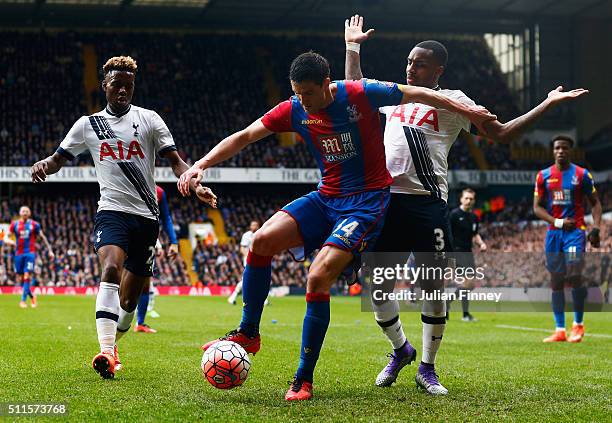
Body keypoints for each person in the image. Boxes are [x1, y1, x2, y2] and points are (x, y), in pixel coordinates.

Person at [178, 51, 495, 401]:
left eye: (308, 94)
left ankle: (303, 378)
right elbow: (245, 136)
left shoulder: (360, 94)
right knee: (261, 241)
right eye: (297, 93)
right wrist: (200, 165)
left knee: (317, 277)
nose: (303, 102)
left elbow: (421, 93)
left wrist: (468, 111)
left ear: (327, 85)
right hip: (326, 198)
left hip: (366, 205)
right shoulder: (295, 108)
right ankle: (248, 333)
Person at [343, 14, 589, 395]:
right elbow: (354, 89)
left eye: (419, 63)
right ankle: (400, 350)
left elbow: (503, 134)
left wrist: (547, 103)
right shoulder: (393, 94)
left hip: (428, 206)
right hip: (387, 203)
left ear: (438, 69)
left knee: (433, 287)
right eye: (408, 61)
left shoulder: (454, 101)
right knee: (375, 285)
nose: (410, 67)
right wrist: (353, 46)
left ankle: (427, 367)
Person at [31, 56, 216, 379]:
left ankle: (113, 344)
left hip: (146, 218)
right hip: (112, 211)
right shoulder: (88, 125)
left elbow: (176, 162)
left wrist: (195, 182)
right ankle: (105, 351)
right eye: (117, 84)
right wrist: (44, 165)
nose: (122, 91)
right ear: (104, 85)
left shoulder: (149, 120)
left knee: (129, 303)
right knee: (110, 267)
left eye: (128, 86)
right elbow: (59, 157)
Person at [534, 135, 602, 343]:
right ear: (553, 151)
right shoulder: (543, 175)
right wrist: (558, 222)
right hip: (554, 233)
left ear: (570, 151)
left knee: (573, 275)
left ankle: (578, 326)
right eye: (557, 148)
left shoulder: (582, 174)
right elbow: (536, 208)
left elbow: (596, 204)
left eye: (564, 148)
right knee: (556, 281)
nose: (561, 151)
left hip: (575, 233)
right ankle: (560, 329)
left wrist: (596, 228)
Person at [134, 185, 180, 333]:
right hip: (126, 234)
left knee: (145, 282)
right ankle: (113, 320)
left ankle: (140, 322)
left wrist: (173, 241)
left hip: (148, 239)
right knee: (118, 278)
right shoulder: (128, 182)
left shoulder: (159, 192)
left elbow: (165, 217)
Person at [448, 188, 486, 322]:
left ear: (474, 200)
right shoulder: (453, 214)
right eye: (466, 198)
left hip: (468, 252)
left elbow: (475, 234)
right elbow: (448, 234)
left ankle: (447, 303)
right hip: (456, 252)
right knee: (467, 282)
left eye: (471, 199)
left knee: (470, 285)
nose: (469, 201)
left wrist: (481, 243)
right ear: (461, 199)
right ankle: (465, 314)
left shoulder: (474, 217)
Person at [9, 206, 54, 308]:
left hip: (30, 254)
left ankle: (23, 301)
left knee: (26, 276)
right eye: (23, 211)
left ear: (29, 213)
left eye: (27, 211)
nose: (25, 212)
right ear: (20, 213)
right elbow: (5, 235)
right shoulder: (14, 224)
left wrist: (50, 250)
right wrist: (9, 241)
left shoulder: (34, 225)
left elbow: (43, 237)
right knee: (22, 279)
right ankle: (32, 296)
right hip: (18, 254)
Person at [228, 220, 262, 305]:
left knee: (258, 279)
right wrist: (249, 257)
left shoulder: (261, 235)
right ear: (250, 227)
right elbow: (242, 249)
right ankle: (233, 297)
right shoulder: (247, 235)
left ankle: (263, 300)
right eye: (253, 225)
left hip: (259, 260)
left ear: (258, 226)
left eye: (256, 225)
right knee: (248, 279)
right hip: (249, 261)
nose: (254, 227)